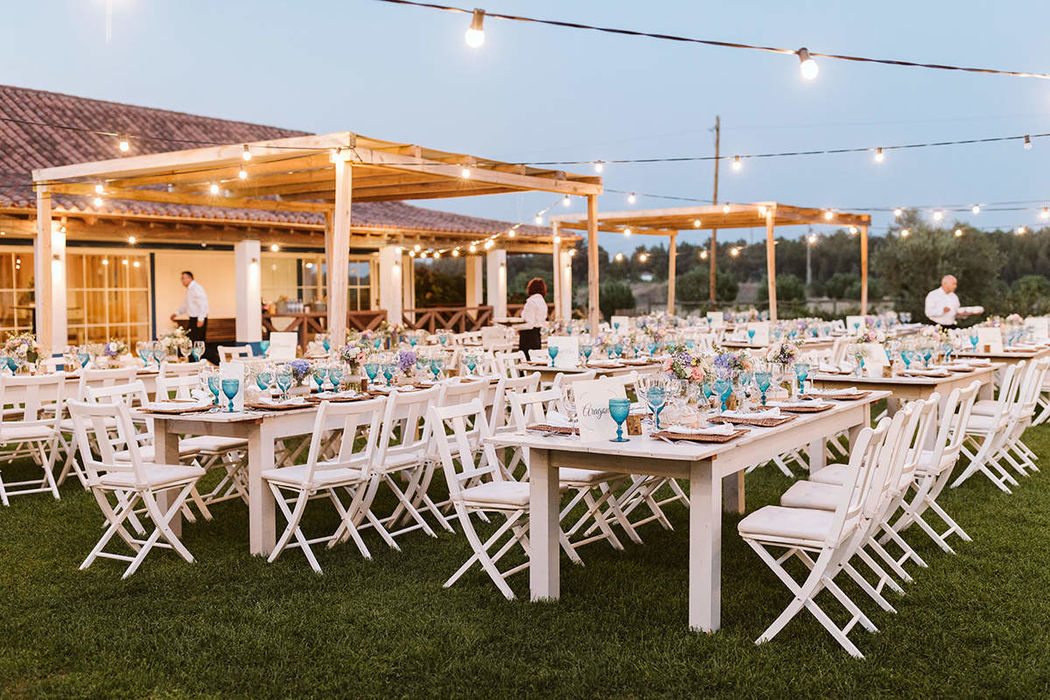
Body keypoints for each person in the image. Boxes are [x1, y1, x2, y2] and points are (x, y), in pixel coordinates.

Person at [170, 270, 215, 362]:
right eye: (181, 279)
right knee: (191, 341)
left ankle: (217, 361)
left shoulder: (196, 288)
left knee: (198, 343)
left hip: (198, 319)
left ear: (190, 278)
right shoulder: (190, 290)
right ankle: (193, 362)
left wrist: (201, 318)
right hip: (193, 319)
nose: (182, 280)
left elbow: (203, 303)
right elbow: (186, 305)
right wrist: (177, 313)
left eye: (184, 278)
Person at [517, 277, 548, 355]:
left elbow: (529, 323)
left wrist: (515, 327)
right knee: (536, 360)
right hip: (537, 336)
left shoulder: (531, 302)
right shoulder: (542, 302)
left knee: (526, 361)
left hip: (528, 337)